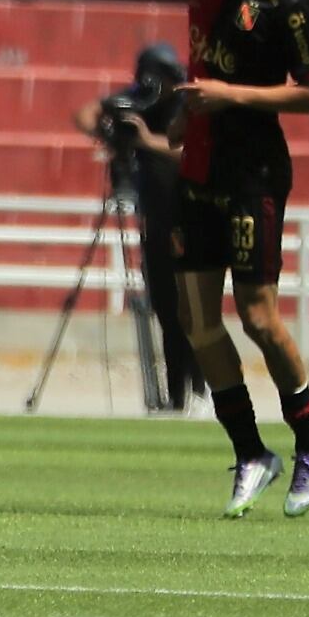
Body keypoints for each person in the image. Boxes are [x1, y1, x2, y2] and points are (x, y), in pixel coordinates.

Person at [169, 0, 309, 518]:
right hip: (200, 169)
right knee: (197, 321)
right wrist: (183, 121)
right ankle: (251, 453)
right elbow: (201, 62)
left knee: (259, 316)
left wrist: (231, 97)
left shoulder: (288, 7)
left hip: (253, 175)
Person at [72, 43, 207, 413]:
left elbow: (194, 149)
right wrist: (109, 135)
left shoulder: (184, 102)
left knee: (190, 311)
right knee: (165, 309)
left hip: (189, 219)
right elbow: (84, 114)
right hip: (156, 220)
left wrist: (148, 141)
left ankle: (199, 390)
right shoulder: (136, 100)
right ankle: (175, 398)